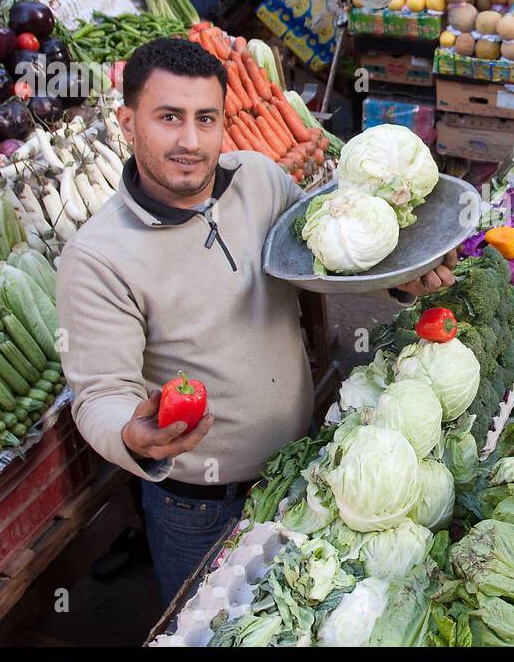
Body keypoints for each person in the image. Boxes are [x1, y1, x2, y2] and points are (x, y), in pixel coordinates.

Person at [56, 38, 457, 603]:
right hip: (198, 508)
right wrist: (133, 433)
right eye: (168, 118)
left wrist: (398, 278)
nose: (190, 141)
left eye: (206, 119)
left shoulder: (260, 178)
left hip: (300, 475)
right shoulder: (98, 256)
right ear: (127, 122)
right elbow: (99, 393)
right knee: (215, 631)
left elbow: (318, 268)